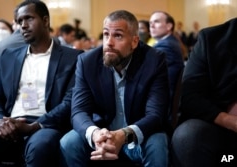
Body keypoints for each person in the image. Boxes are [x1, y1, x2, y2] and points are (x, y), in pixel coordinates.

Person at [60, 10, 170, 167]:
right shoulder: (87, 62)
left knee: (157, 143)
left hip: (139, 136)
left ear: (134, 42)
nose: (109, 42)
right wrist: (95, 134)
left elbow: (156, 114)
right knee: (69, 142)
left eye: (118, 35)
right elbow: (79, 111)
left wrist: (123, 135)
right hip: (102, 135)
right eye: (106, 34)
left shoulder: (154, 60)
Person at [0, 1, 83, 166]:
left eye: (29, 19)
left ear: (46, 21)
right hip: (9, 122)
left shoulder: (73, 58)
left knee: (40, 146)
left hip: (44, 124)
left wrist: (33, 126)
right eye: (19, 21)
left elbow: (70, 101)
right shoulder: (8, 56)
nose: (23, 25)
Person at [171, 18, 237, 167]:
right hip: (222, 129)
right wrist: (230, 121)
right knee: (188, 136)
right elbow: (191, 97)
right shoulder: (212, 39)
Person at [149, 11, 184, 130]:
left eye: (156, 22)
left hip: (161, 105)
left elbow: (145, 71)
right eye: (150, 23)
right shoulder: (169, 42)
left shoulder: (166, 46)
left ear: (169, 26)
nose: (152, 26)